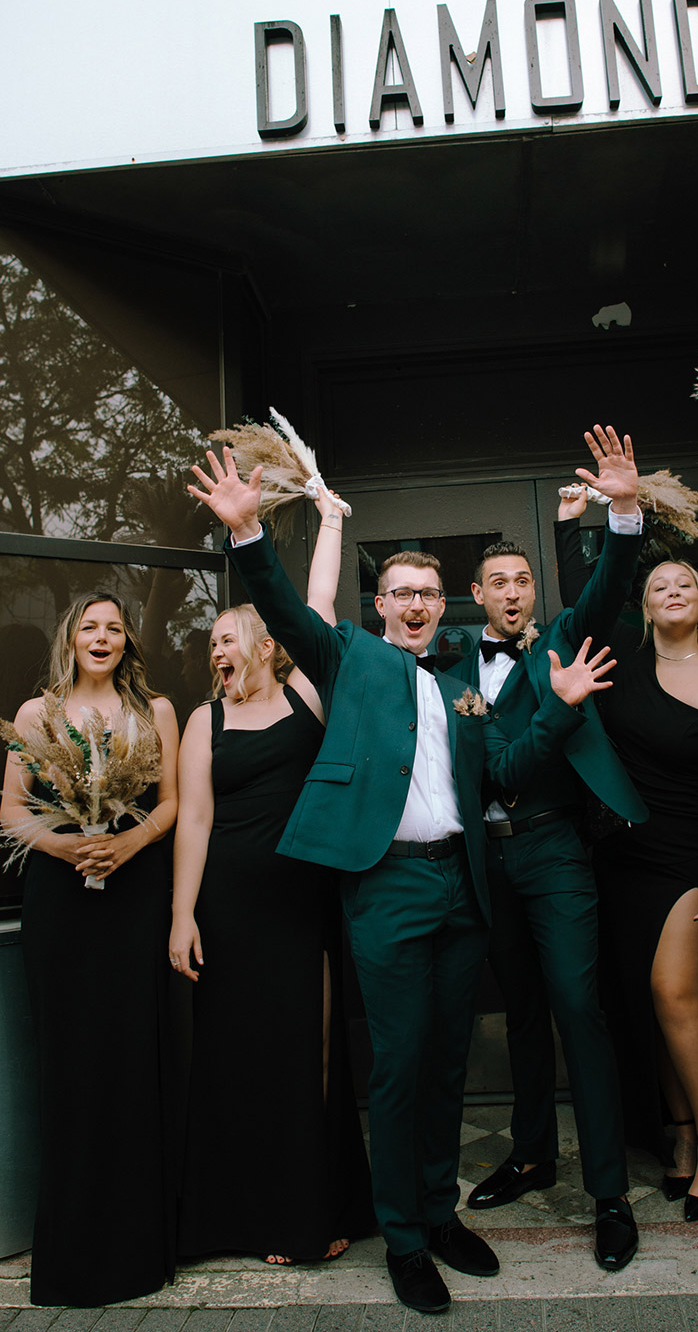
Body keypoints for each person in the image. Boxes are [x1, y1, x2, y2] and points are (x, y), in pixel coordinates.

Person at [187, 441, 613, 1315]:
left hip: (462, 883)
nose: (417, 604)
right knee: (399, 1060)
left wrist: (562, 711)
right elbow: (280, 603)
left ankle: (438, 1210)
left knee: (450, 1058)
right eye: (402, 593)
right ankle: (405, 1240)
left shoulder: (464, 688)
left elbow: (504, 769)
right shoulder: (349, 657)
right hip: (386, 885)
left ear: (439, 605)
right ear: (379, 604)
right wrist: (249, 536)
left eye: (428, 593)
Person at [449, 426, 646, 1271]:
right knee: (521, 1010)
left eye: (524, 579)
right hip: (484, 863)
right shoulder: (451, 663)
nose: (514, 592)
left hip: (555, 849)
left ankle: (609, 1193)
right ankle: (531, 1154)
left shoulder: (564, 633)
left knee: (577, 1006)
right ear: (477, 593)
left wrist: (623, 513)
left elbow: (605, 588)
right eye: (499, 581)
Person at [170, 487, 375, 1264]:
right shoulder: (204, 721)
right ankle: (251, 1216)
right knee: (241, 1061)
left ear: (263, 643)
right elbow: (194, 820)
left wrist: (331, 519)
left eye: (231, 636)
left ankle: (309, 1206)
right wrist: (182, 915)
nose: (218, 650)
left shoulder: (305, 694)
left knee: (308, 1054)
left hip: (300, 907)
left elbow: (316, 602)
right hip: (227, 910)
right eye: (211, 642)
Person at [0, 593, 179, 1307]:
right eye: (89, 627)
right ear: (71, 639)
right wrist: (68, 843)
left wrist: (127, 842)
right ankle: (74, 1254)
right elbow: (10, 808)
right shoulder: (37, 714)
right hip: (62, 903)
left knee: (132, 1061)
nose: (101, 636)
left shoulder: (156, 710)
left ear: (128, 639)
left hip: (134, 902)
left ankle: (140, 1248)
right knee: (70, 1068)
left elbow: (169, 803)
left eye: (113, 626)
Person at [591, 554, 698, 1220]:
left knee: (674, 992)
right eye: (659, 585)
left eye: (685, 583)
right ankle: (677, 1135)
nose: (674, 592)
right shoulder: (623, 660)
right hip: (622, 856)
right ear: (644, 605)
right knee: (643, 1001)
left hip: (688, 858)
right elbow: (586, 593)